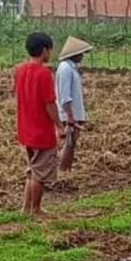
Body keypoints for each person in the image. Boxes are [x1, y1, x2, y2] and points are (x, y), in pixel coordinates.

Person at [14, 33, 65, 215]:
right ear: (45, 50)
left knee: (32, 170)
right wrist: (59, 125)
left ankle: (26, 208)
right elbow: (49, 103)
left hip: (25, 129)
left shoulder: (20, 70)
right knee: (40, 173)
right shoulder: (44, 74)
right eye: (50, 49)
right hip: (41, 131)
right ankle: (35, 209)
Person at [55, 36, 93, 172]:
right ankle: (64, 169)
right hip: (69, 115)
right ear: (74, 54)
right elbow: (65, 96)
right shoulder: (66, 69)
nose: (82, 56)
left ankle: (66, 168)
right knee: (69, 143)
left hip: (72, 114)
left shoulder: (71, 68)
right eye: (80, 54)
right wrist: (70, 116)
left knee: (71, 143)